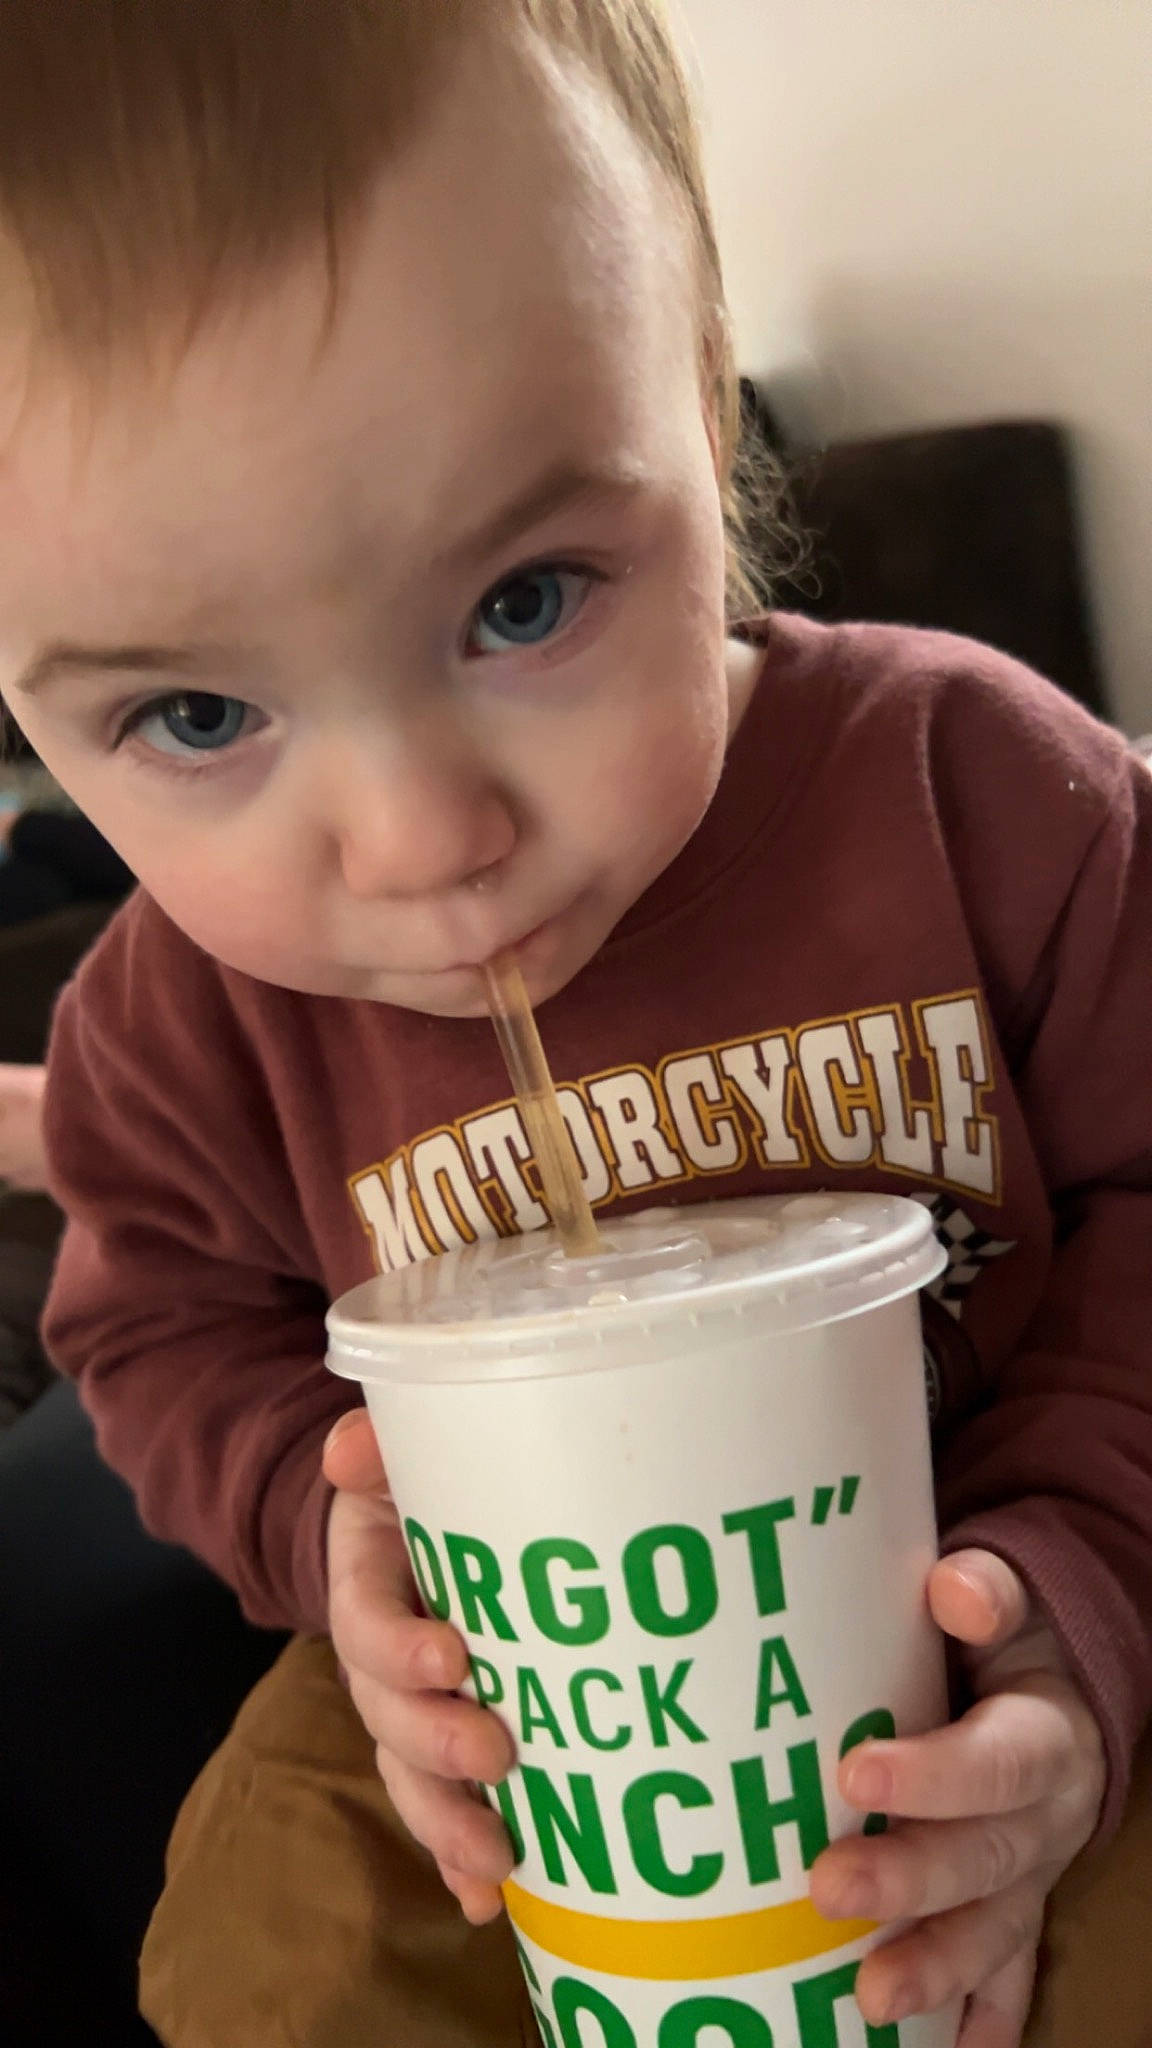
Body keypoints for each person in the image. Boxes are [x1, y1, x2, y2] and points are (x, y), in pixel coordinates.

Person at [0, 4, 1147, 2044]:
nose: (432, 843)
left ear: (704, 411)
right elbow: (152, 1325)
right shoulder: (173, 1033)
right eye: (195, 717)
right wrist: (325, 1527)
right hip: (509, 1682)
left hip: (1018, 1591)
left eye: (527, 597)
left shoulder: (980, 790)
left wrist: (1075, 1594)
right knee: (271, 1944)